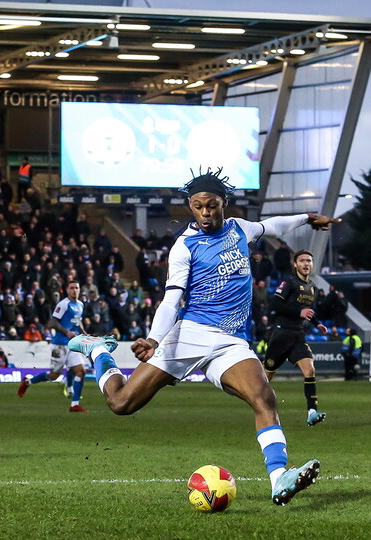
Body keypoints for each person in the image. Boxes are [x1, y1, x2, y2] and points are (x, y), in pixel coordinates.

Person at [68, 168, 339, 506]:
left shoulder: (240, 228)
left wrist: (306, 219)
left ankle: (278, 479)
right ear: (191, 207)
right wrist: (153, 340)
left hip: (232, 341)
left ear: (223, 203)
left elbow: (274, 226)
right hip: (191, 333)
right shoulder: (185, 246)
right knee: (121, 403)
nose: (205, 213)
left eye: (211, 205)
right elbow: (171, 298)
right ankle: (97, 352)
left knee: (263, 397)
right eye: (197, 207)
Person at [262, 250, 329, 427]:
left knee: (310, 370)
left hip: (298, 334)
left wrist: (317, 324)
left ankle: (312, 412)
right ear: (295, 264)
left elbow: (305, 310)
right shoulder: (289, 281)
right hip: (281, 334)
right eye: (302, 261)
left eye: (309, 261)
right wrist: (298, 312)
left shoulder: (312, 287)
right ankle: (258, 405)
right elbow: (275, 303)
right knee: (266, 377)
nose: (306, 264)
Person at [17, 281, 93, 412]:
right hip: (60, 344)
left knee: (81, 371)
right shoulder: (63, 304)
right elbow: (52, 322)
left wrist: (85, 334)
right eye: (72, 288)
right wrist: (66, 332)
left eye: (77, 288)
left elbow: (77, 321)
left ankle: (74, 404)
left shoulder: (80, 304)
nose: (75, 290)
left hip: (73, 344)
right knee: (53, 375)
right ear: (67, 290)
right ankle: (28, 382)